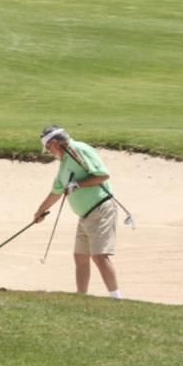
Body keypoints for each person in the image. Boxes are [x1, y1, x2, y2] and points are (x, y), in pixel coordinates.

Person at [33, 124, 122, 299]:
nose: (49, 151)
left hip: (101, 208)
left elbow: (102, 175)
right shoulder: (64, 163)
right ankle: (81, 297)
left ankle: (117, 298)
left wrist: (78, 184)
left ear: (56, 143)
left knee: (99, 256)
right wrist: (40, 211)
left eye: (48, 147)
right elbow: (56, 192)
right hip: (85, 215)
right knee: (80, 257)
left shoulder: (78, 150)